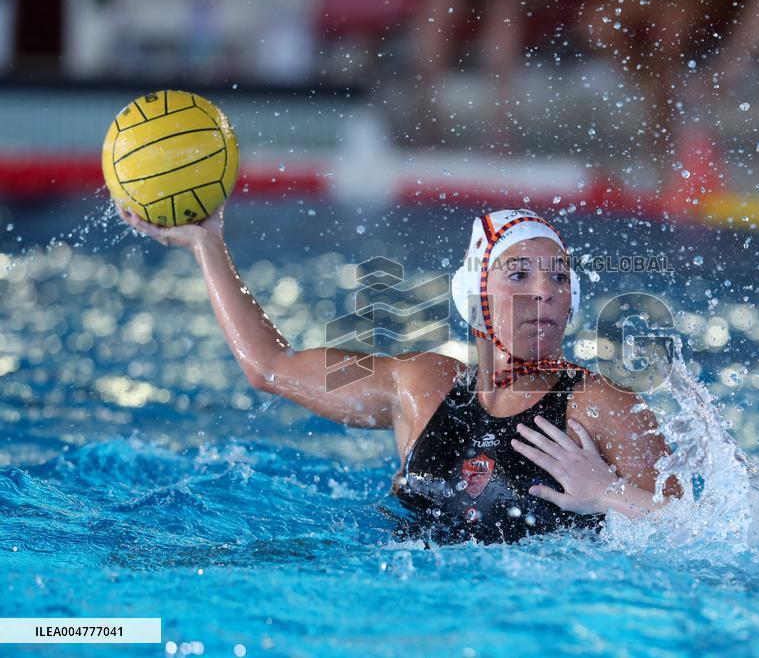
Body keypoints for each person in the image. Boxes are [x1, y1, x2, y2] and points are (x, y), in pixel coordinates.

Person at [117, 204, 683, 544]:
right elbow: (271, 367)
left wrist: (608, 494)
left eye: (560, 278)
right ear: (476, 294)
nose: (545, 292)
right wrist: (206, 243)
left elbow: (703, 536)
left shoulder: (602, 407)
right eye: (519, 274)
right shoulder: (420, 386)